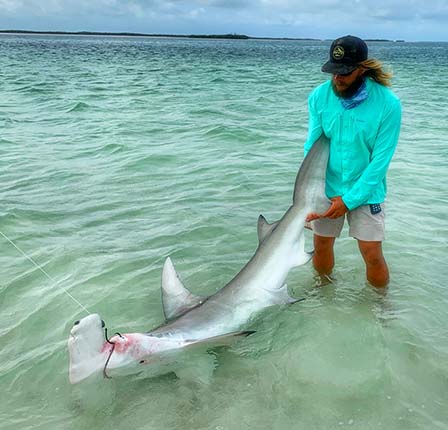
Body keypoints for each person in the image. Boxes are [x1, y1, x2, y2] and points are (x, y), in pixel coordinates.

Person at [304, 35, 401, 288]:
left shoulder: (389, 104)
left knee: (372, 254)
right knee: (321, 246)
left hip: (367, 190)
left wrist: (349, 201)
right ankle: (323, 296)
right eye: (334, 71)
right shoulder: (319, 97)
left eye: (345, 72)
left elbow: (381, 161)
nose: (338, 78)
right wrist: (307, 197)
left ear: (362, 69)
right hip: (326, 187)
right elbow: (312, 148)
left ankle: (380, 309)